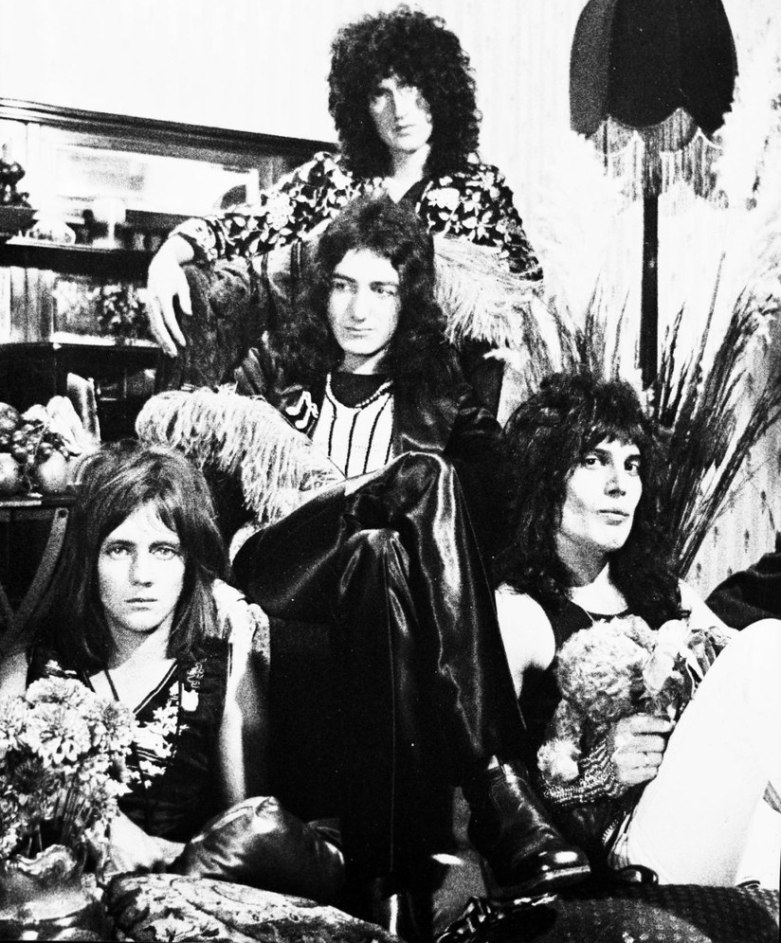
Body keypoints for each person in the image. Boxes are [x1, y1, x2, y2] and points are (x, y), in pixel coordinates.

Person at [137, 196, 590, 913]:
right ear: (321, 292)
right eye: (343, 285)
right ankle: (495, 781)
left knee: (379, 552)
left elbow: (496, 514)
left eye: (381, 289)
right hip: (278, 567)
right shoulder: (270, 368)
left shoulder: (441, 398)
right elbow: (205, 491)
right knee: (422, 478)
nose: (357, 308)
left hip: (369, 589)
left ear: (407, 302)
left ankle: (390, 890)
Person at [145, 4, 541, 414]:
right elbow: (245, 225)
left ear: (441, 91)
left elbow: (526, 298)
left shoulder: (479, 190)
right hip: (326, 394)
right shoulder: (330, 178)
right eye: (381, 94)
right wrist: (168, 257)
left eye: (412, 87)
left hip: (429, 404)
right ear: (360, 105)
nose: (400, 110)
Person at [0, 442, 345, 903]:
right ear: (88, 560)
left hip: (177, 900)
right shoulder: (32, 665)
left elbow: (242, 839)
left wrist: (163, 858)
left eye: (164, 550)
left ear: (189, 564)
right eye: (118, 549)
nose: (141, 574)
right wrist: (97, 820)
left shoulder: (223, 670)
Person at [495, 371, 781, 887]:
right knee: (767, 643)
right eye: (593, 460)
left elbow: (752, 697)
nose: (620, 485)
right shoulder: (521, 612)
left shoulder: (662, 591)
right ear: (544, 475)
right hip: (623, 851)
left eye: (631, 465)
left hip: (713, 827)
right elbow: (491, 796)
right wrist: (593, 774)